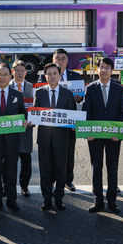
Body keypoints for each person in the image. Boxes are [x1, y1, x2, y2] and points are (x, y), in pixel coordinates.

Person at [82, 58, 123, 214]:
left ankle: (112, 201)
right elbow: (86, 112)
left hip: (113, 136)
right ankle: (98, 200)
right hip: (95, 135)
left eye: (107, 67)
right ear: (97, 69)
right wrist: (88, 132)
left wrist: (118, 132)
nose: (104, 70)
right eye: (102, 67)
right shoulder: (90, 88)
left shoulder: (119, 89)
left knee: (112, 168)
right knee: (97, 168)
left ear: (112, 70)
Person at [33, 63, 76, 211]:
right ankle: (46, 199)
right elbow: (35, 114)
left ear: (59, 75)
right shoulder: (39, 93)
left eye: (54, 73)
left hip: (62, 139)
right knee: (45, 170)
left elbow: (73, 118)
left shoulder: (68, 94)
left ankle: (59, 198)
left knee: (60, 170)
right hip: (44, 138)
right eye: (49, 74)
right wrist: (31, 121)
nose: (52, 76)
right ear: (45, 76)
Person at [0, 64, 27, 212]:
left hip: (12, 140)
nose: (2, 78)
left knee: (11, 171)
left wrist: (25, 121)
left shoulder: (17, 95)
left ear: (11, 76)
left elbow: (23, 114)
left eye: (5, 75)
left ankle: (11, 199)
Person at [40, 48, 82, 192]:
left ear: (67, 60)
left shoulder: (75, 76)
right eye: (57, 58)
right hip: (48, 129)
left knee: (67, 155)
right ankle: (50, 183)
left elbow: (79, 99)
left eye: (63, 58)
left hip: (67, 125)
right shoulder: (43, 79)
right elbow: (37, 106)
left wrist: (78, 98)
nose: (60, 61)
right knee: (49, 159)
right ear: (53, 60)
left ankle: (67, 180)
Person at [11, 60, 34, 197]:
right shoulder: (6, 86)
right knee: (8, 160)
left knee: (26, 160)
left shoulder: (32, 87)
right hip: (9, 129)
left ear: (26, 72)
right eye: (17, 70)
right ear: (12, 72)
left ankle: (24, 186)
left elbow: (36, 108)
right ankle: (7, 187)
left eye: (22, 71)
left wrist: (34, 120)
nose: (19, 73)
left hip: (26, 129)